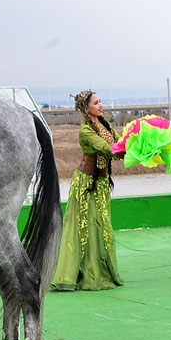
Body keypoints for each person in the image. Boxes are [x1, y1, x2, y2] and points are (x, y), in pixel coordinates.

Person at [51, 91, 125, 291]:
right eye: (96, 103)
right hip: (86, 184)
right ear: (86, 109)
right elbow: (107, 148)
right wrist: (121, 149)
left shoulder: (106, 125)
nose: (101, 105)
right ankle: (80, 274)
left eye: (100, 102)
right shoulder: (85, 130)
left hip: (100, 183)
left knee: (102, 226)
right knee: (84, 228)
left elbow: (120, 143)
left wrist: (141, 145)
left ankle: (103, 271)